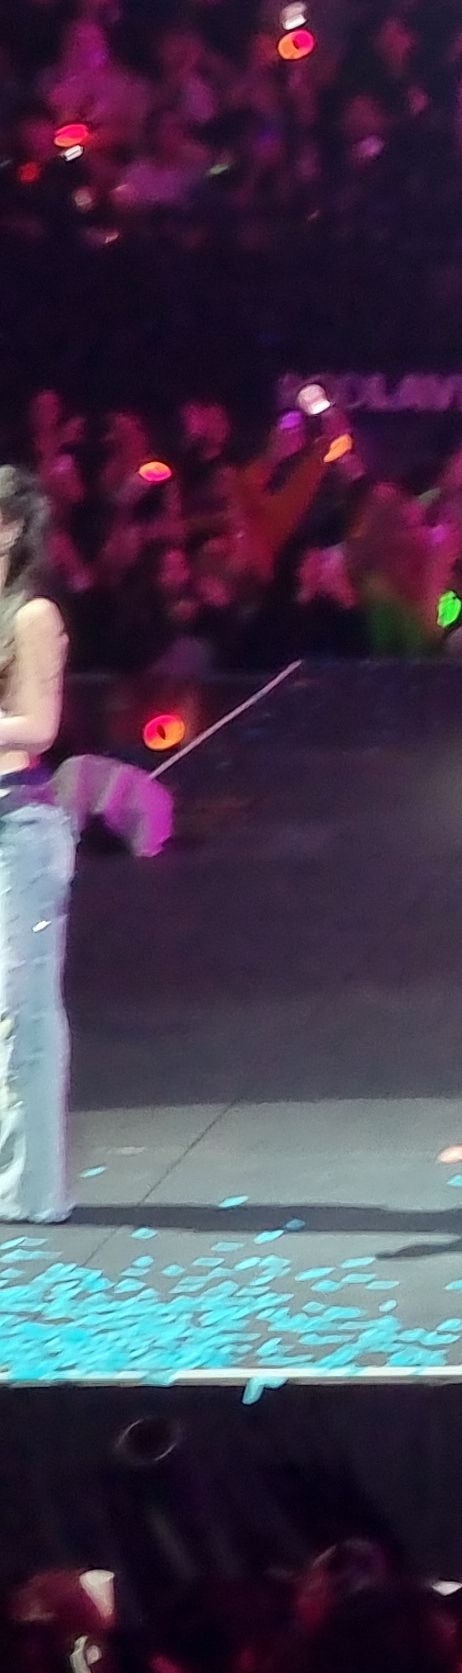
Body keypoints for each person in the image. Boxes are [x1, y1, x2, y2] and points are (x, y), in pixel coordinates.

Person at [0, 466, 67, 1225]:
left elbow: (39, 726)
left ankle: (33, 1191)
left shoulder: (31, 614)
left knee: (22, 1010)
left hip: (16, 822)